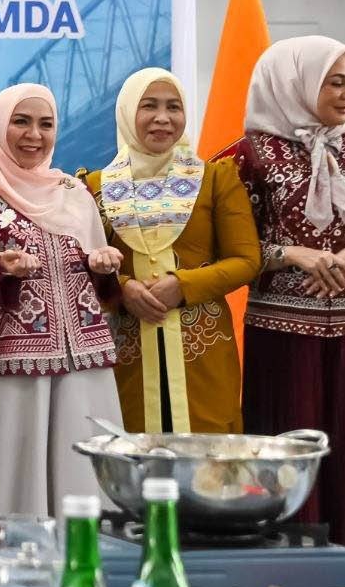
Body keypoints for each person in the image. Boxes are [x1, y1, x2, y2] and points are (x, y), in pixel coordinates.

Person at [0, 83, 124, 517]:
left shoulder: (72, 191)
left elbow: (99, 276)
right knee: (13, 482)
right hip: (9, 366)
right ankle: (13, 558)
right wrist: (1, 271)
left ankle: (81, 558)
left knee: (84, 477)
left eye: (45, 124)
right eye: (21, 122)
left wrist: (103, 266)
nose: (34, 135)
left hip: (83, 361)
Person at [84, 68, 260, 434]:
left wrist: (183, 285)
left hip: (203, 353)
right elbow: (83, 264)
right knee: (130, 451)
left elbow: (246, 260)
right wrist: (123, 288)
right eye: (149, 106)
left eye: (173, 107)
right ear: (127, 112)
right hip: (127, 353)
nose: (163, 118)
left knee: (208, 455)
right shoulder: (94, 186)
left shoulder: (216, 178)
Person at [229, 35, 345, 540]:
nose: (344, 93)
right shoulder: (245, 157)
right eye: (334, 82)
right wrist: (292, 254)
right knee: (287, 443)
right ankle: (290, 557)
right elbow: (224, 248)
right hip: (282, 332)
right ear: (296, 82)